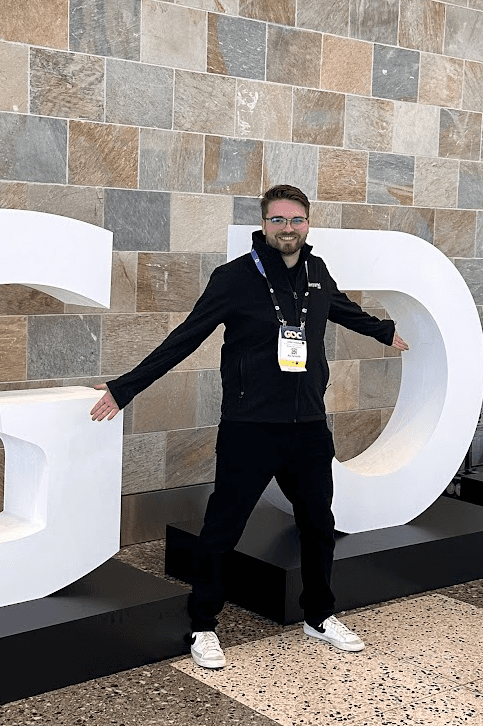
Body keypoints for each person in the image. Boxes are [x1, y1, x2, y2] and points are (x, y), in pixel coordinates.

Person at [89, 184, 409, 670]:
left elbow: (341, 309)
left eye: (296, 220)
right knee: (223, 528)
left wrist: (382, 331)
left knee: (319, 525)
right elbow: (186, 336)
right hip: (250, 427)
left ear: (308, 224)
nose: (287, 228)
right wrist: (125, 387)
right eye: (278, 220)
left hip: (307, 427)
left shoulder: (317, 273)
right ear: (263, 225)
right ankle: (202, 624)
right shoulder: (234, 278)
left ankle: (319, 615)